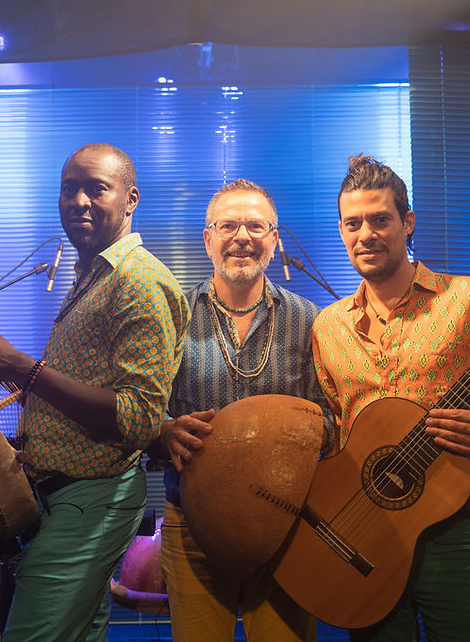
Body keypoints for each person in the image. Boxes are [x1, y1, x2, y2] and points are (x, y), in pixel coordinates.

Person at [0, 143, 190, 642]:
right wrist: (4, 377)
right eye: (69, 187)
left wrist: (19, 365)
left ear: (130, 199)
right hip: (63, 498)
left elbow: (137, 420)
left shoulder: (138, 282)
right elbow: (81, 390)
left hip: (92, 502)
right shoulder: (92, 276)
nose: (79, 200)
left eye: (97, 188)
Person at [311, 155, 470, 641]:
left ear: (407, 223)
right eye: (352, 223)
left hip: (454, 533)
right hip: (366, 536)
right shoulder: (326, 327)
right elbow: (335, 436)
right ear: (340, 231)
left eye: (380, 219)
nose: (366, 234)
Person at [154, 179, 334, 642]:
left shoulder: (310, 320)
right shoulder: (171, 316)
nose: (242, 237)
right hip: (190, 526)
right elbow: (140, 412)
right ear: (207, 238)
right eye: (228, 224)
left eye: (256, 226)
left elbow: (332, 420)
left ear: (275, 239)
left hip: (286, 529)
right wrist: (164, 431)